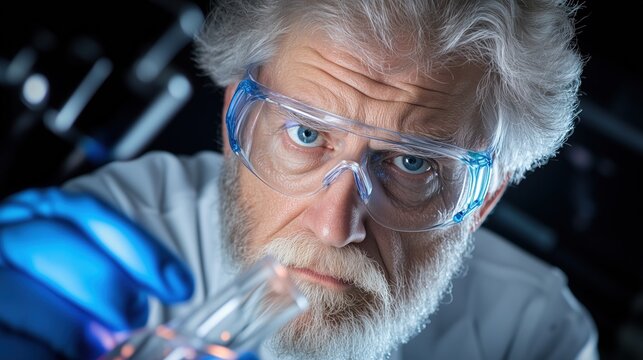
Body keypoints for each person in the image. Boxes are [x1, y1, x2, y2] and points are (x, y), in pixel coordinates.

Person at [0, 0, 599, 359]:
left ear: (485, 197)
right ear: (238, 118)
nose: (335, 225)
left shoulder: (529, 332)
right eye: (307, 135)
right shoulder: (116, 238)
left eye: (413, 163)